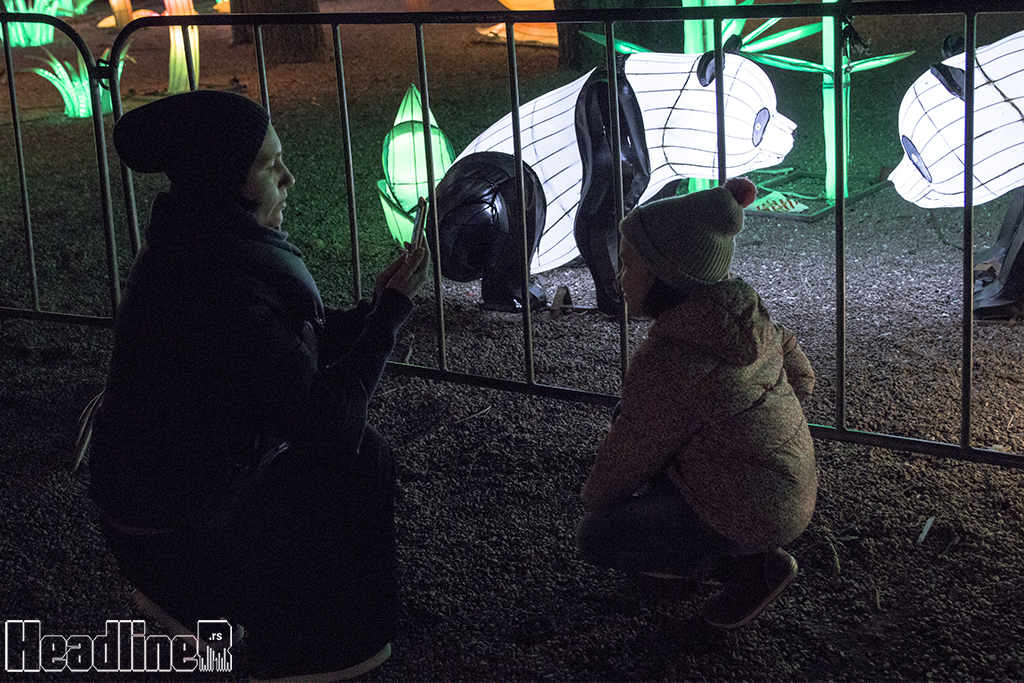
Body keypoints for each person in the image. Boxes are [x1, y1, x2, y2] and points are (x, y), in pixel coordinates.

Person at [88, 90, 430, 679]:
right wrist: (389, 317)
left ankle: (216, 605)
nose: (289, 178)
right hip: (171, 526)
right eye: (270, 166)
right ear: (225, 182)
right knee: (357, 462)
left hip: (165, 495)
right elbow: (330, 424)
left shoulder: (200, 245)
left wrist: (376, 309)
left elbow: (289, 351)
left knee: (352, 458)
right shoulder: (213, 285)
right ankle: (310, 647)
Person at [576, 177, 817, 629]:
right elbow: (802, 377)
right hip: (791, 485)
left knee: (598, 535)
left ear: (663, 274)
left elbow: (630, 451)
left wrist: (596, 498)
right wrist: (760, 421)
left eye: (628, 264)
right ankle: (703, 542)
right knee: (638, 416)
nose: (619, 278)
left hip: (754, 512)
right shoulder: (748, 318)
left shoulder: (669, 361)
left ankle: (748, 570)